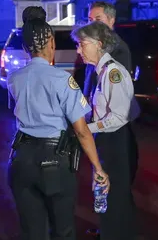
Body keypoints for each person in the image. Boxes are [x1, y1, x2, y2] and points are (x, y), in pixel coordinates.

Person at [7, 19, 110, 240]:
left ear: (25, 48)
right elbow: (81, 130)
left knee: (31, 231)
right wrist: (97, 167)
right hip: (55, 160)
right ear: (52, 43)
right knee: (62, 229)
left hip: (21, 159)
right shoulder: (62, 80)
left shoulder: (14, 78)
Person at [71, 21, 140, 240]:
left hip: (114, 141)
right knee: (104, 196)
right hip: (106, 140)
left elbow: (119, 117)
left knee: (112, 197)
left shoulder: (113, 73)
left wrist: (85, 128)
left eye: (82, 44)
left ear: (99, 44)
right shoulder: (100, 71)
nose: (78, 50)